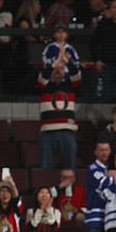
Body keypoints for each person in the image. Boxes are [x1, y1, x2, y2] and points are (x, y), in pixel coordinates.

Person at [37, 23, 81, 170]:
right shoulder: (45, 86)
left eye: (61, 69)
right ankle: (44, 192)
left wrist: (66, 60)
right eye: (56, 70)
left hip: (67, 131)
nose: (58, 71)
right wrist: (54, 63)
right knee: (46, 167)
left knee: (69, 168)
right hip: (47, 132)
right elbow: (43, 77)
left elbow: (76, 75)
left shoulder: (70, 85)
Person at [85, 141, 111, 232]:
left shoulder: (111, 168)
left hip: (109, 214)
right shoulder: (92, 169)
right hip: (95, 215)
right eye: (101, 150)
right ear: (95, 152)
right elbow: (105, 184)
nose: (104, 153)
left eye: (106, 150)